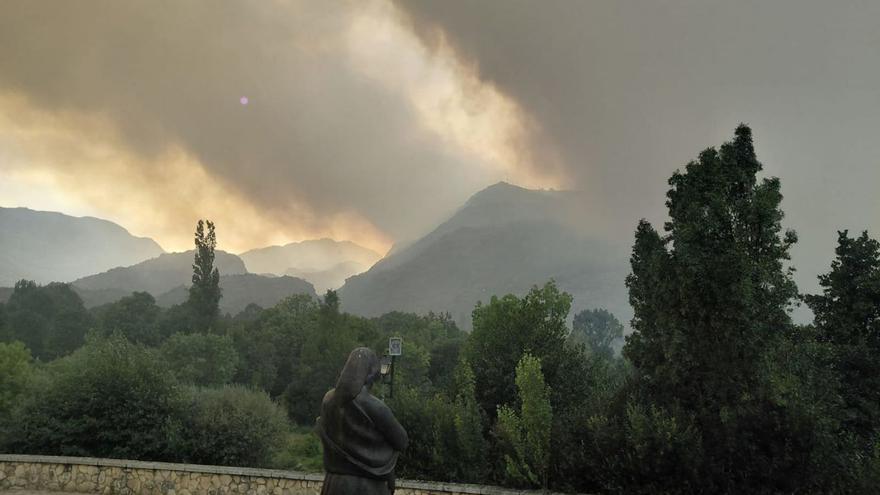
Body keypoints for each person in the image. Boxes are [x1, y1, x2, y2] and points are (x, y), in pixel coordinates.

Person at [315, 347, 408, 495]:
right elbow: (402, 441)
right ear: (371, 373)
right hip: (367, 486)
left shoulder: (328, 400)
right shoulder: (374, 406)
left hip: (333, 484)